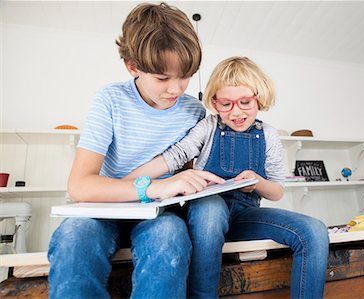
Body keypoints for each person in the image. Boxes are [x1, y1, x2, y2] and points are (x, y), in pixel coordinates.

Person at [47, 3, 229, 298]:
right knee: (73, 237)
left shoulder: (195, 112)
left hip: (158, 215)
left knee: (170, 237)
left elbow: (186, 183)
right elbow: (80, 185)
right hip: (103, 209)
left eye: (186, 75)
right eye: (162, 78)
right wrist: (156, 186)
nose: (176, 89)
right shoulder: (110, 100)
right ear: (132, 66)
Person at [126, 56, 330, 298]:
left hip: (244, 215)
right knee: (210, 209)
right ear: (214, 102)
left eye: (245, 102)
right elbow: (175, 156)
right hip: (204, 214)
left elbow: (277, 192)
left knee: (314, 230)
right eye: (226, 104)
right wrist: (126, 182)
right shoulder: (208, 126)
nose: (236, 112)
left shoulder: (268, 135)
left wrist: (256, 181)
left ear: (259, 97)